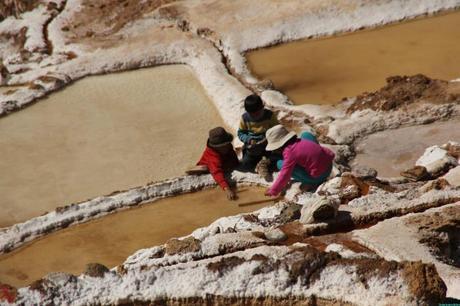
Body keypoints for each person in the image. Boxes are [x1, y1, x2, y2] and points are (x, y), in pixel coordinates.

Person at [264, 125, 335, 197]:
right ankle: (315, 162)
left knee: (280, 164)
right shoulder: (299, 141)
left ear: (279, 147)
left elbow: (285, 174)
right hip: (329, 164)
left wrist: (273, 191)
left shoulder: (289, 153)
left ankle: (312, 183)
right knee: (306, 135)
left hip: (319, 177)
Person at [237, 94, 279, 178]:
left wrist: (268, 139)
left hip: (268, 145)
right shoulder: (245, 118)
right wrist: (249, 140)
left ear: (262, 107)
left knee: (278, 161)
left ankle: (263, 163)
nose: (256, 116)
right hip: (253, 147)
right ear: (248, 112)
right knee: (245, 165)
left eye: (258, 113)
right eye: (252, 115)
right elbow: (241, 133)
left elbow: (277, 130)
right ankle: (260, 163)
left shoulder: (269, 115)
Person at [197, 127, 239, 200]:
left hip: (223, 165)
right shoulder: (212, 155)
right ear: (216, 147)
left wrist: (235, 164)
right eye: (223, 146)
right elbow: (216, 172)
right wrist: (227, 189)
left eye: (227, 144)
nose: (226, 147)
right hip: (209, 169)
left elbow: (233, 157)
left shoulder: (228, 147)